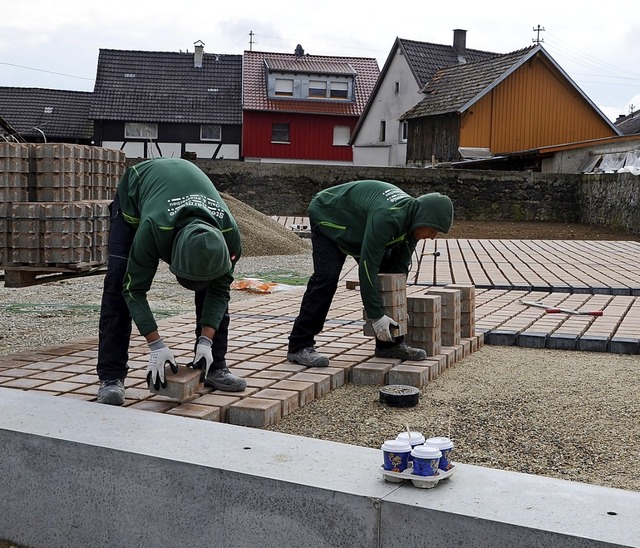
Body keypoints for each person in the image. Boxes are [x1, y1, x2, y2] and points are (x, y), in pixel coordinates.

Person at [96, 158, 246, 406]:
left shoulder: (229, 235)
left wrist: (206, 341)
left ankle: (214, 365)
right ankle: (111, 377)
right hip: (138, 190)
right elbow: (134, 289)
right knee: (119, 280)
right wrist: (156, 345)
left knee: (214, 287)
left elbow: (219, 292)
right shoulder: (154, 228)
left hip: (182, 191)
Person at [287, 180, 454, 368]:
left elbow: (397, 272)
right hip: (330, 214)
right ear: (424, 217)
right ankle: (299, 345)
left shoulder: (413, 224)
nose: (432, 237)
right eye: (432, 230)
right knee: (326, 279)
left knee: (387, 277)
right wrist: (376, 316)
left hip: (358, 224)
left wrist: (398, 306)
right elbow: (367, 268)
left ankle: (389, 345)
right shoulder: (388, 218)